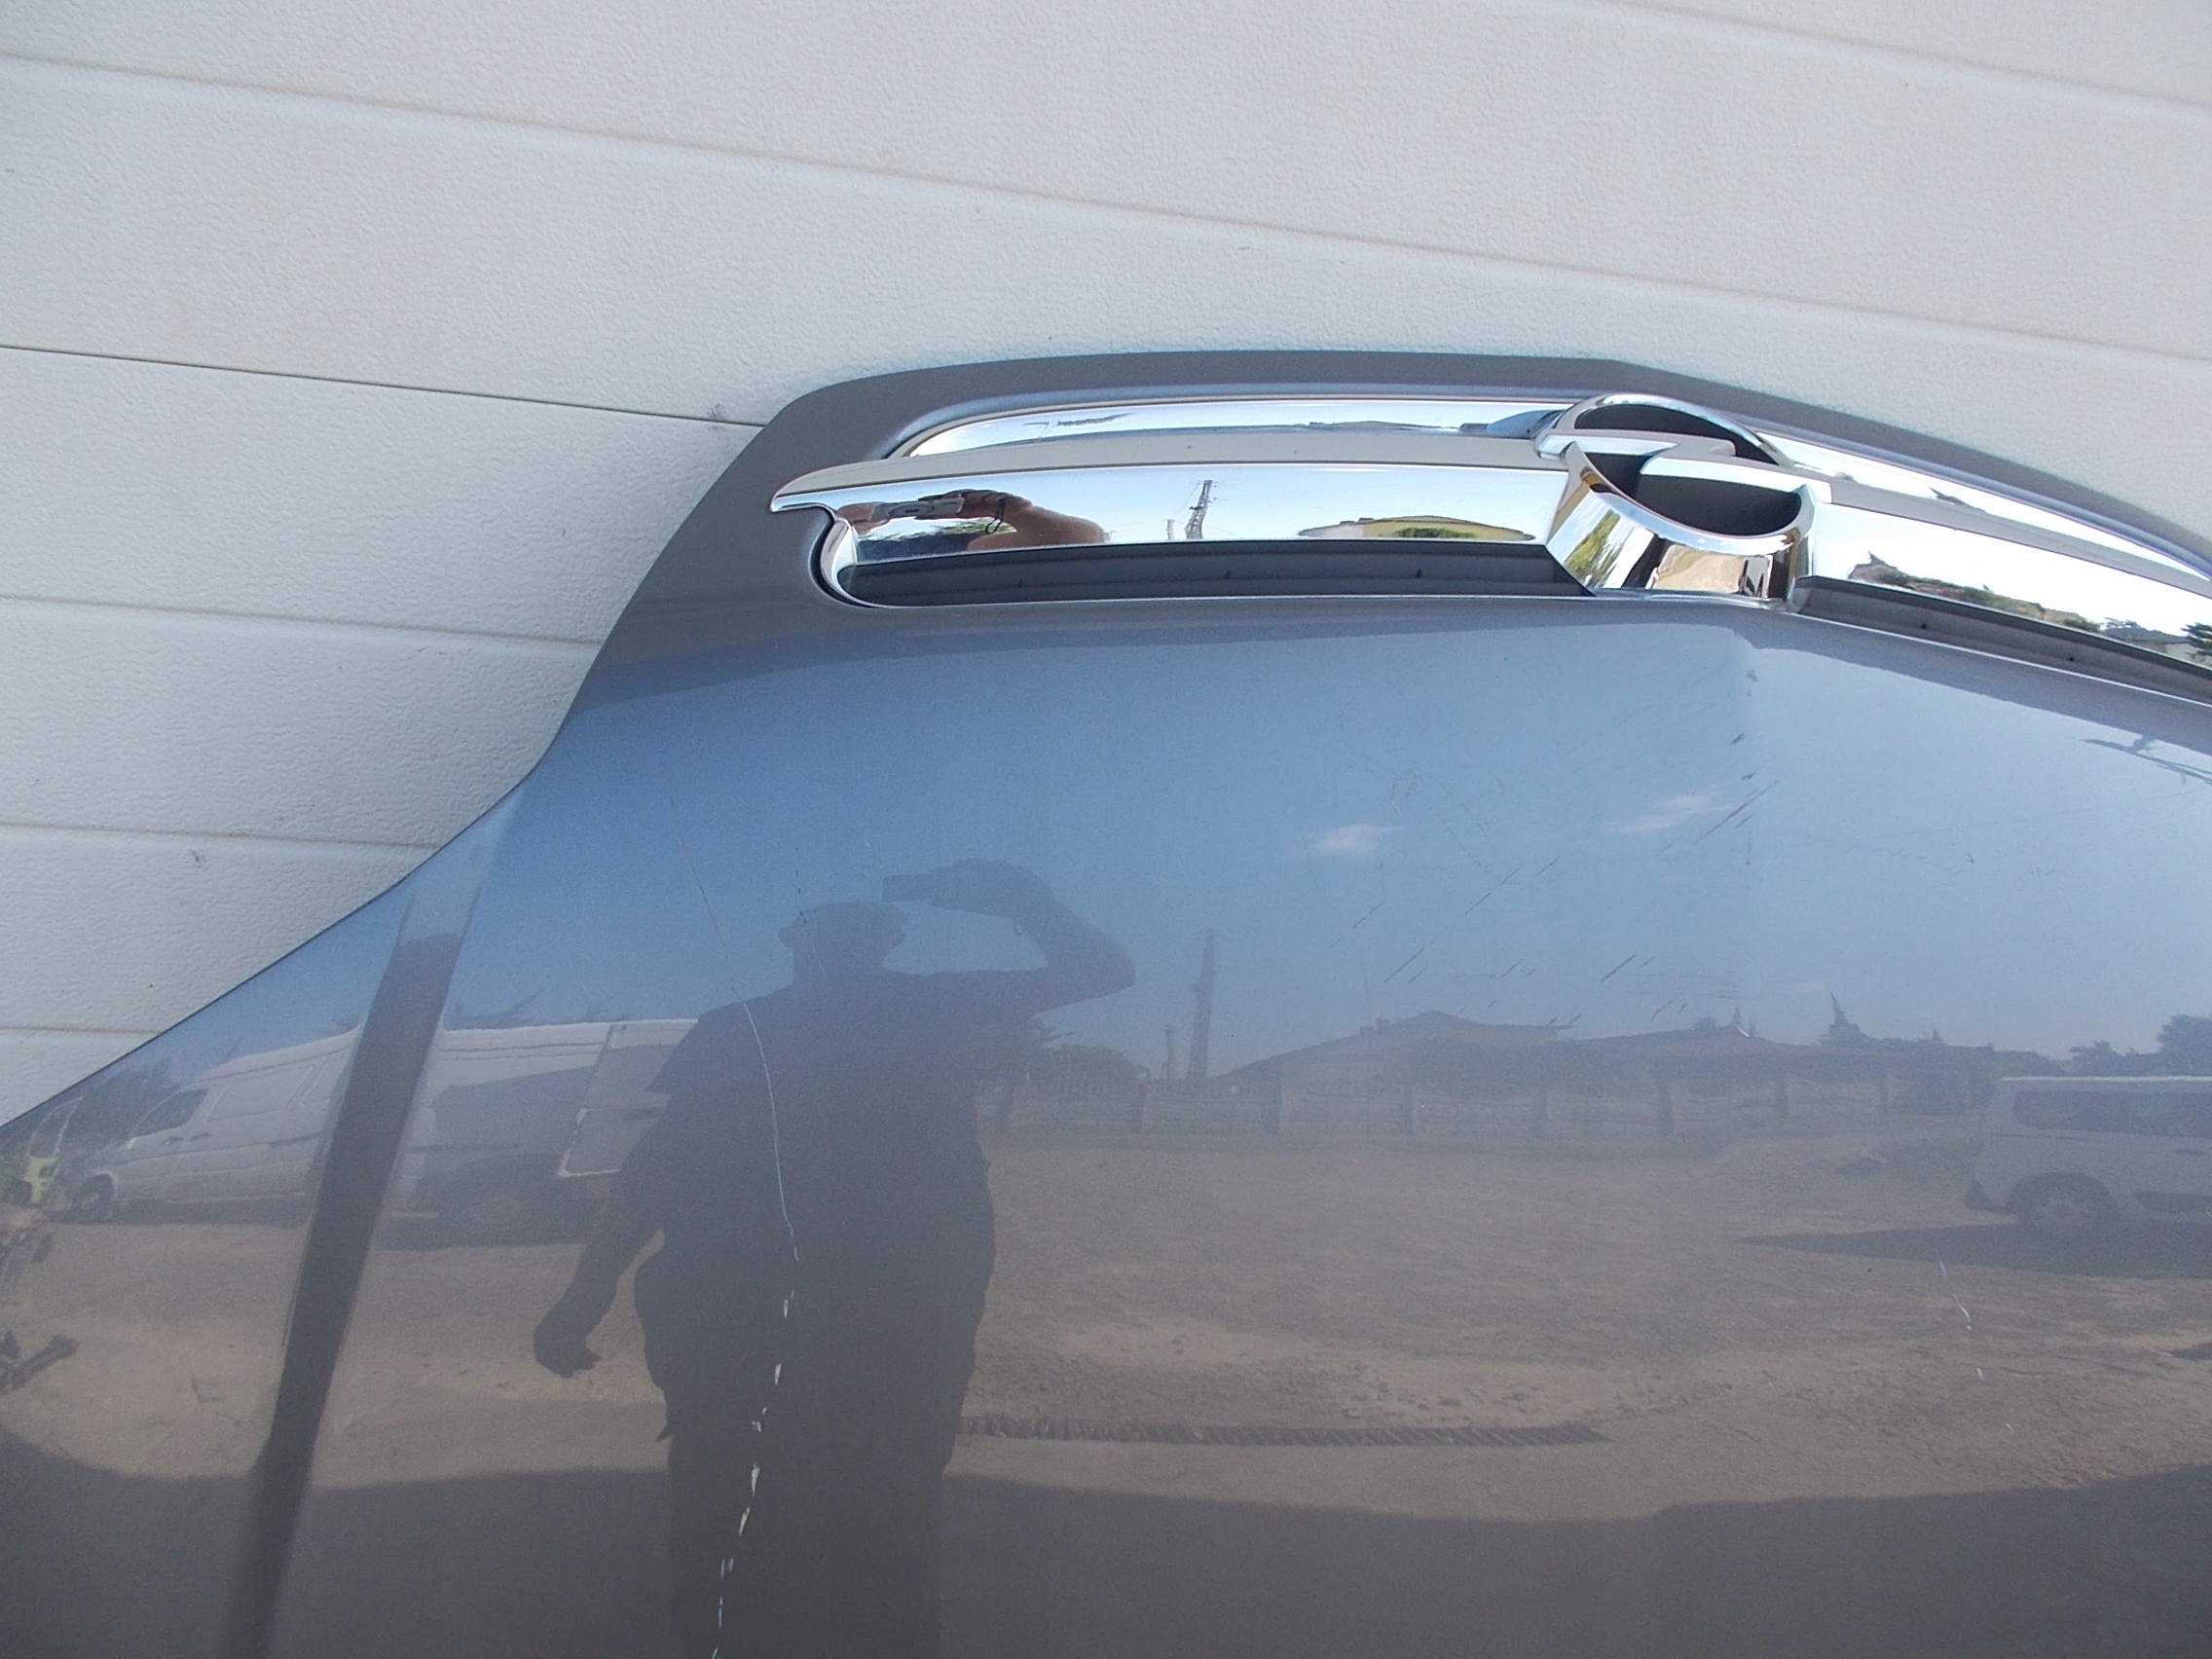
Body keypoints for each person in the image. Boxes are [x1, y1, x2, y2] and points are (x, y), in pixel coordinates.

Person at [533, 861, 1132, 1658]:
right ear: (801, 944)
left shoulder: (915, 1006)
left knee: (857, 1501)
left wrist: (1029, 901)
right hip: (771, 1304)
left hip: (873, 1309)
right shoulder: (762, 1025)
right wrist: (587, 1286)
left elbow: (662, 1159)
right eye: (834, 935)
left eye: (862, 935)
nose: (848, 948)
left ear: (880, 945)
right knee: (759, 1494)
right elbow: (665, 1159)